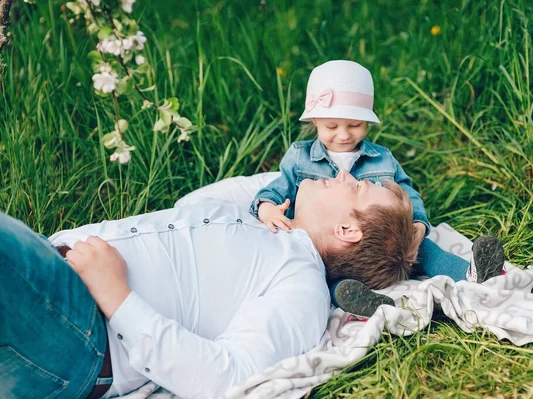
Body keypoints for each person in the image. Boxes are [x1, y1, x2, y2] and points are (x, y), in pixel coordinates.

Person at [0, 170, 414, 399]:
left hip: (79, 326)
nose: (342, 172)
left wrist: (116, 295)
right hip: (45, 273)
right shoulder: (263, 219)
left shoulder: (300, 284)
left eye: (357, 187)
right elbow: (278, 176)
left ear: (347, 229)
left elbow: (228, 379)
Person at [250, 60, 505, 318]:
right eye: (331, 127)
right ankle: (363, 300)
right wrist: (268, 209)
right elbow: (275, 189)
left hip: (382, 242)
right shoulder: (300, 158)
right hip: (334, 250)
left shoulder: (381, 158)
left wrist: (417, 223)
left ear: (367, 121)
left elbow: (405, 191)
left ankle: (473, 274)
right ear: (315, 120)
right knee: (326, 275)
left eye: (354, 125)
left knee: (423, 249)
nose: (344, 135)